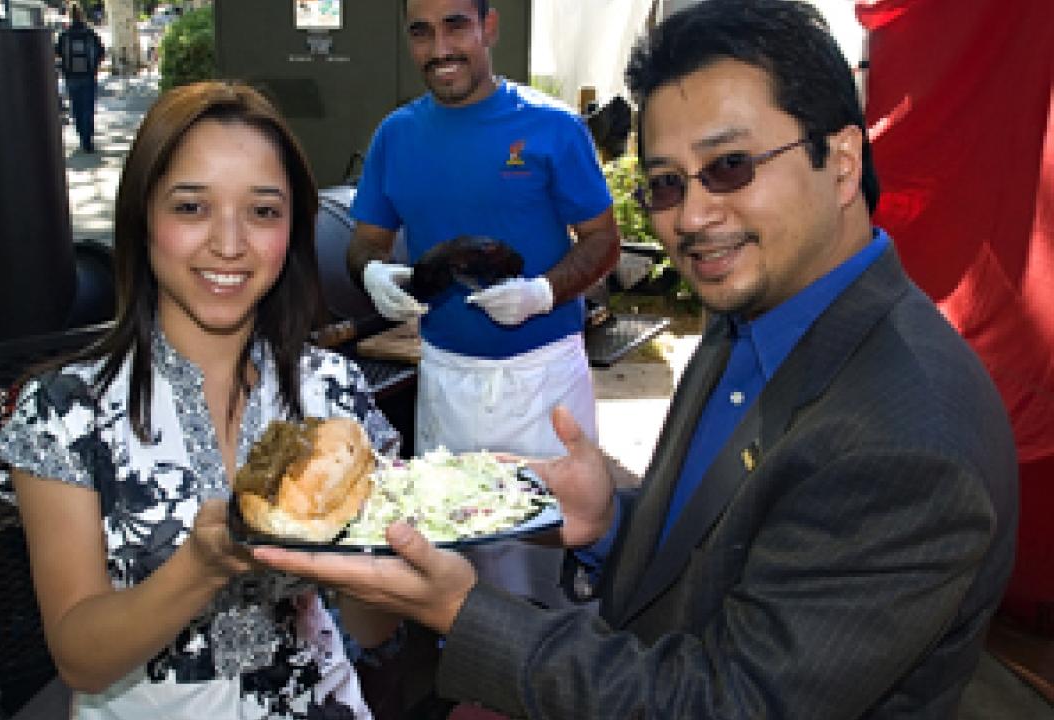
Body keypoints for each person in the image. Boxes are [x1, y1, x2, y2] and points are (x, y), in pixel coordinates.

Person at [250, 1, 1020, 717]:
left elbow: (728, 702)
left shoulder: (909, 443)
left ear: (843, 160)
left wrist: (464, 616)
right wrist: (612, 520)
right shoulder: (752, 316)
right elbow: (728, 539)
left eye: (730, 167)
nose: (691, 217)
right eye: (665, 184)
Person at [0, 81, 400, 719]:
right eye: (191, 208)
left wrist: (378, 542)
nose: (229, 245)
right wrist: (198, 569)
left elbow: (373, 631)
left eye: (263, 212)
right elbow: (79, 657)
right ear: (142, 216)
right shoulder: (64, 412)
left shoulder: (333, 389)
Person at [346, 0, 621, 609]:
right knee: (454, 554)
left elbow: (604, 238)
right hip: (445, 380)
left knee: (549, 554)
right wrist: (374, 276)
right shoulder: (396, 136)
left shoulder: (552, 127)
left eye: (456, 26)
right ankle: (469, 691)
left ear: (489, 27)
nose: (439, 48)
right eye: (421, 32)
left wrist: (542, 292)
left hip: (543, 384)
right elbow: (365, 243)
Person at [55, 2, 104, 153]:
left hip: (71, 78)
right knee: (88, 108)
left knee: (76, 108)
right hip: (88, 76)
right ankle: (88, 139)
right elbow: (101, 52)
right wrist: (95, 66)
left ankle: (82, 137)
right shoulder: (90, 34)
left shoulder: (64, 35)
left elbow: (57, 53)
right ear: (82, 15)